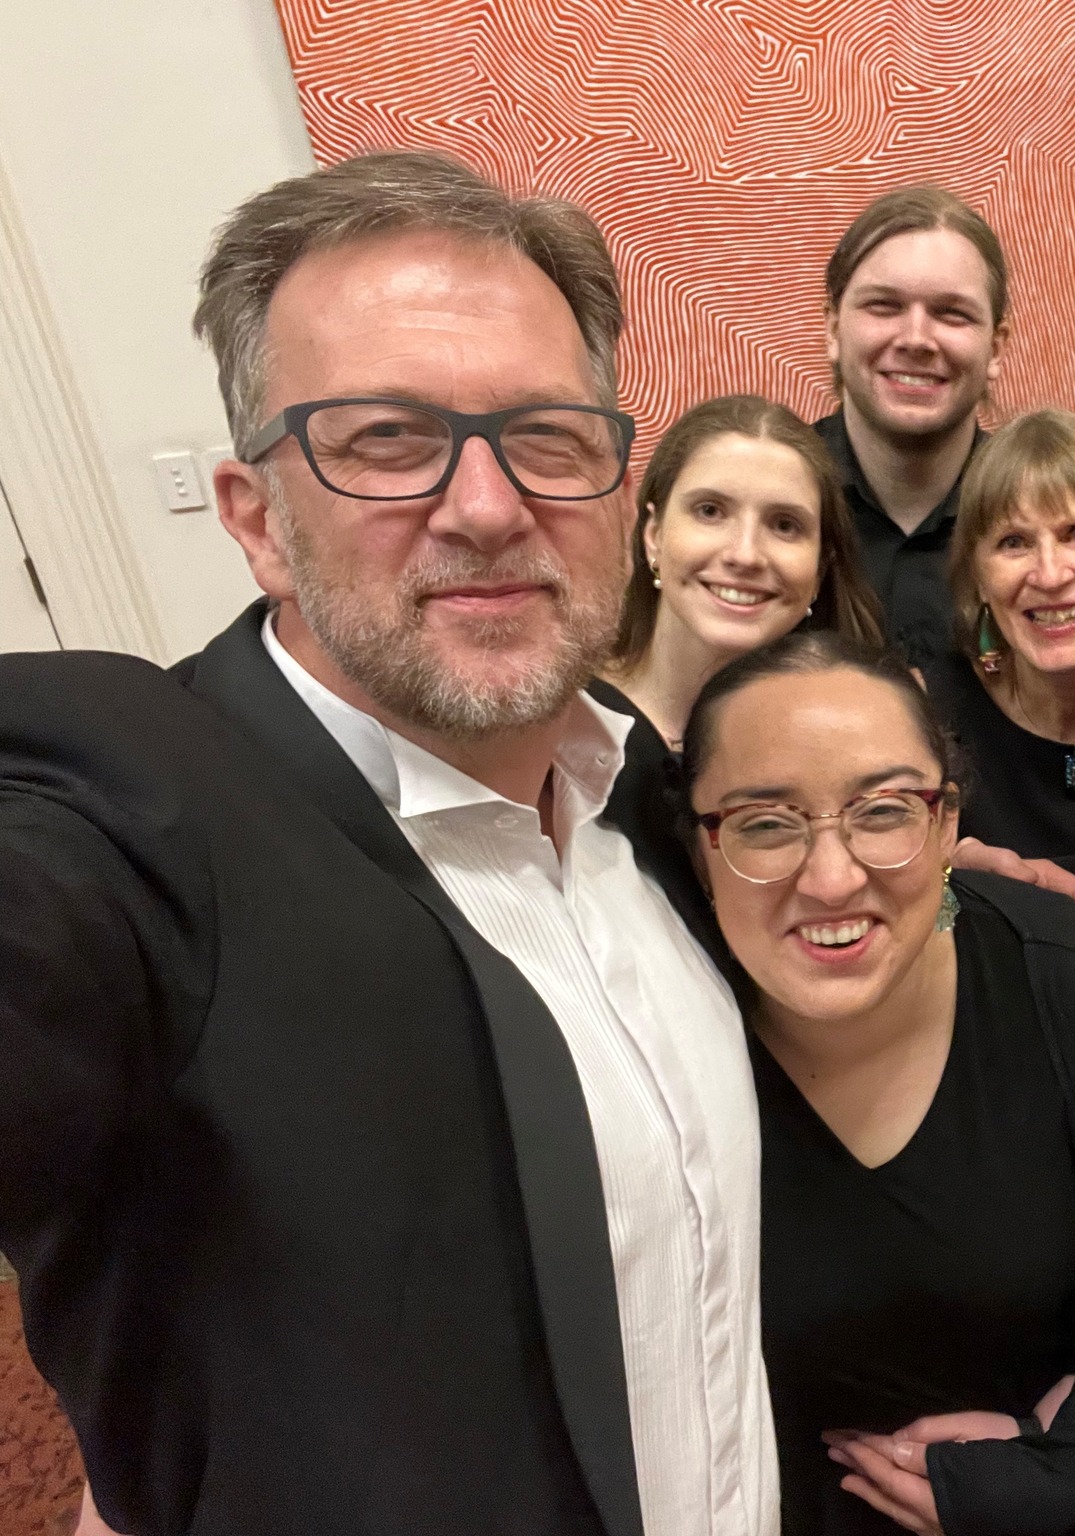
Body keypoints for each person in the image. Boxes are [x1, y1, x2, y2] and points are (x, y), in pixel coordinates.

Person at [0, 151, 775, 1536]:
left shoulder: (633, 784)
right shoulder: (135, 813)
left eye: (545, 435)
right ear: (259, 523)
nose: (485, 506)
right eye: (385, 441)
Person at [677, 630, 1075, 1536]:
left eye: (883, 812)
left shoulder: (1072, 982)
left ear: (948, 823)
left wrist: (1066, 1459)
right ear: (699, 841)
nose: (832, 878)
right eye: (765, 823)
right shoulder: (645, 1026)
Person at [922, 408, 1075, 863]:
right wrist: (951, 887)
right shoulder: (923, 717)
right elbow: (911, 918)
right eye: (1014, 542)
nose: (1049, 576)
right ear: (977, 578)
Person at [602, 393, 884, 749]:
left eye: (784, 525)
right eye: (710, 511)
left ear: (819, 570)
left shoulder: (862, 743)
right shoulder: (566, 719)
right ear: (654, 535)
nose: (745, 555)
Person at [813, 185, 1010, 667]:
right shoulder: (766, 508)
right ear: (834, 329)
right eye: (884, 306)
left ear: (996, 349)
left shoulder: (1042, 516)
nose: (917, 339)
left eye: (951, 313)